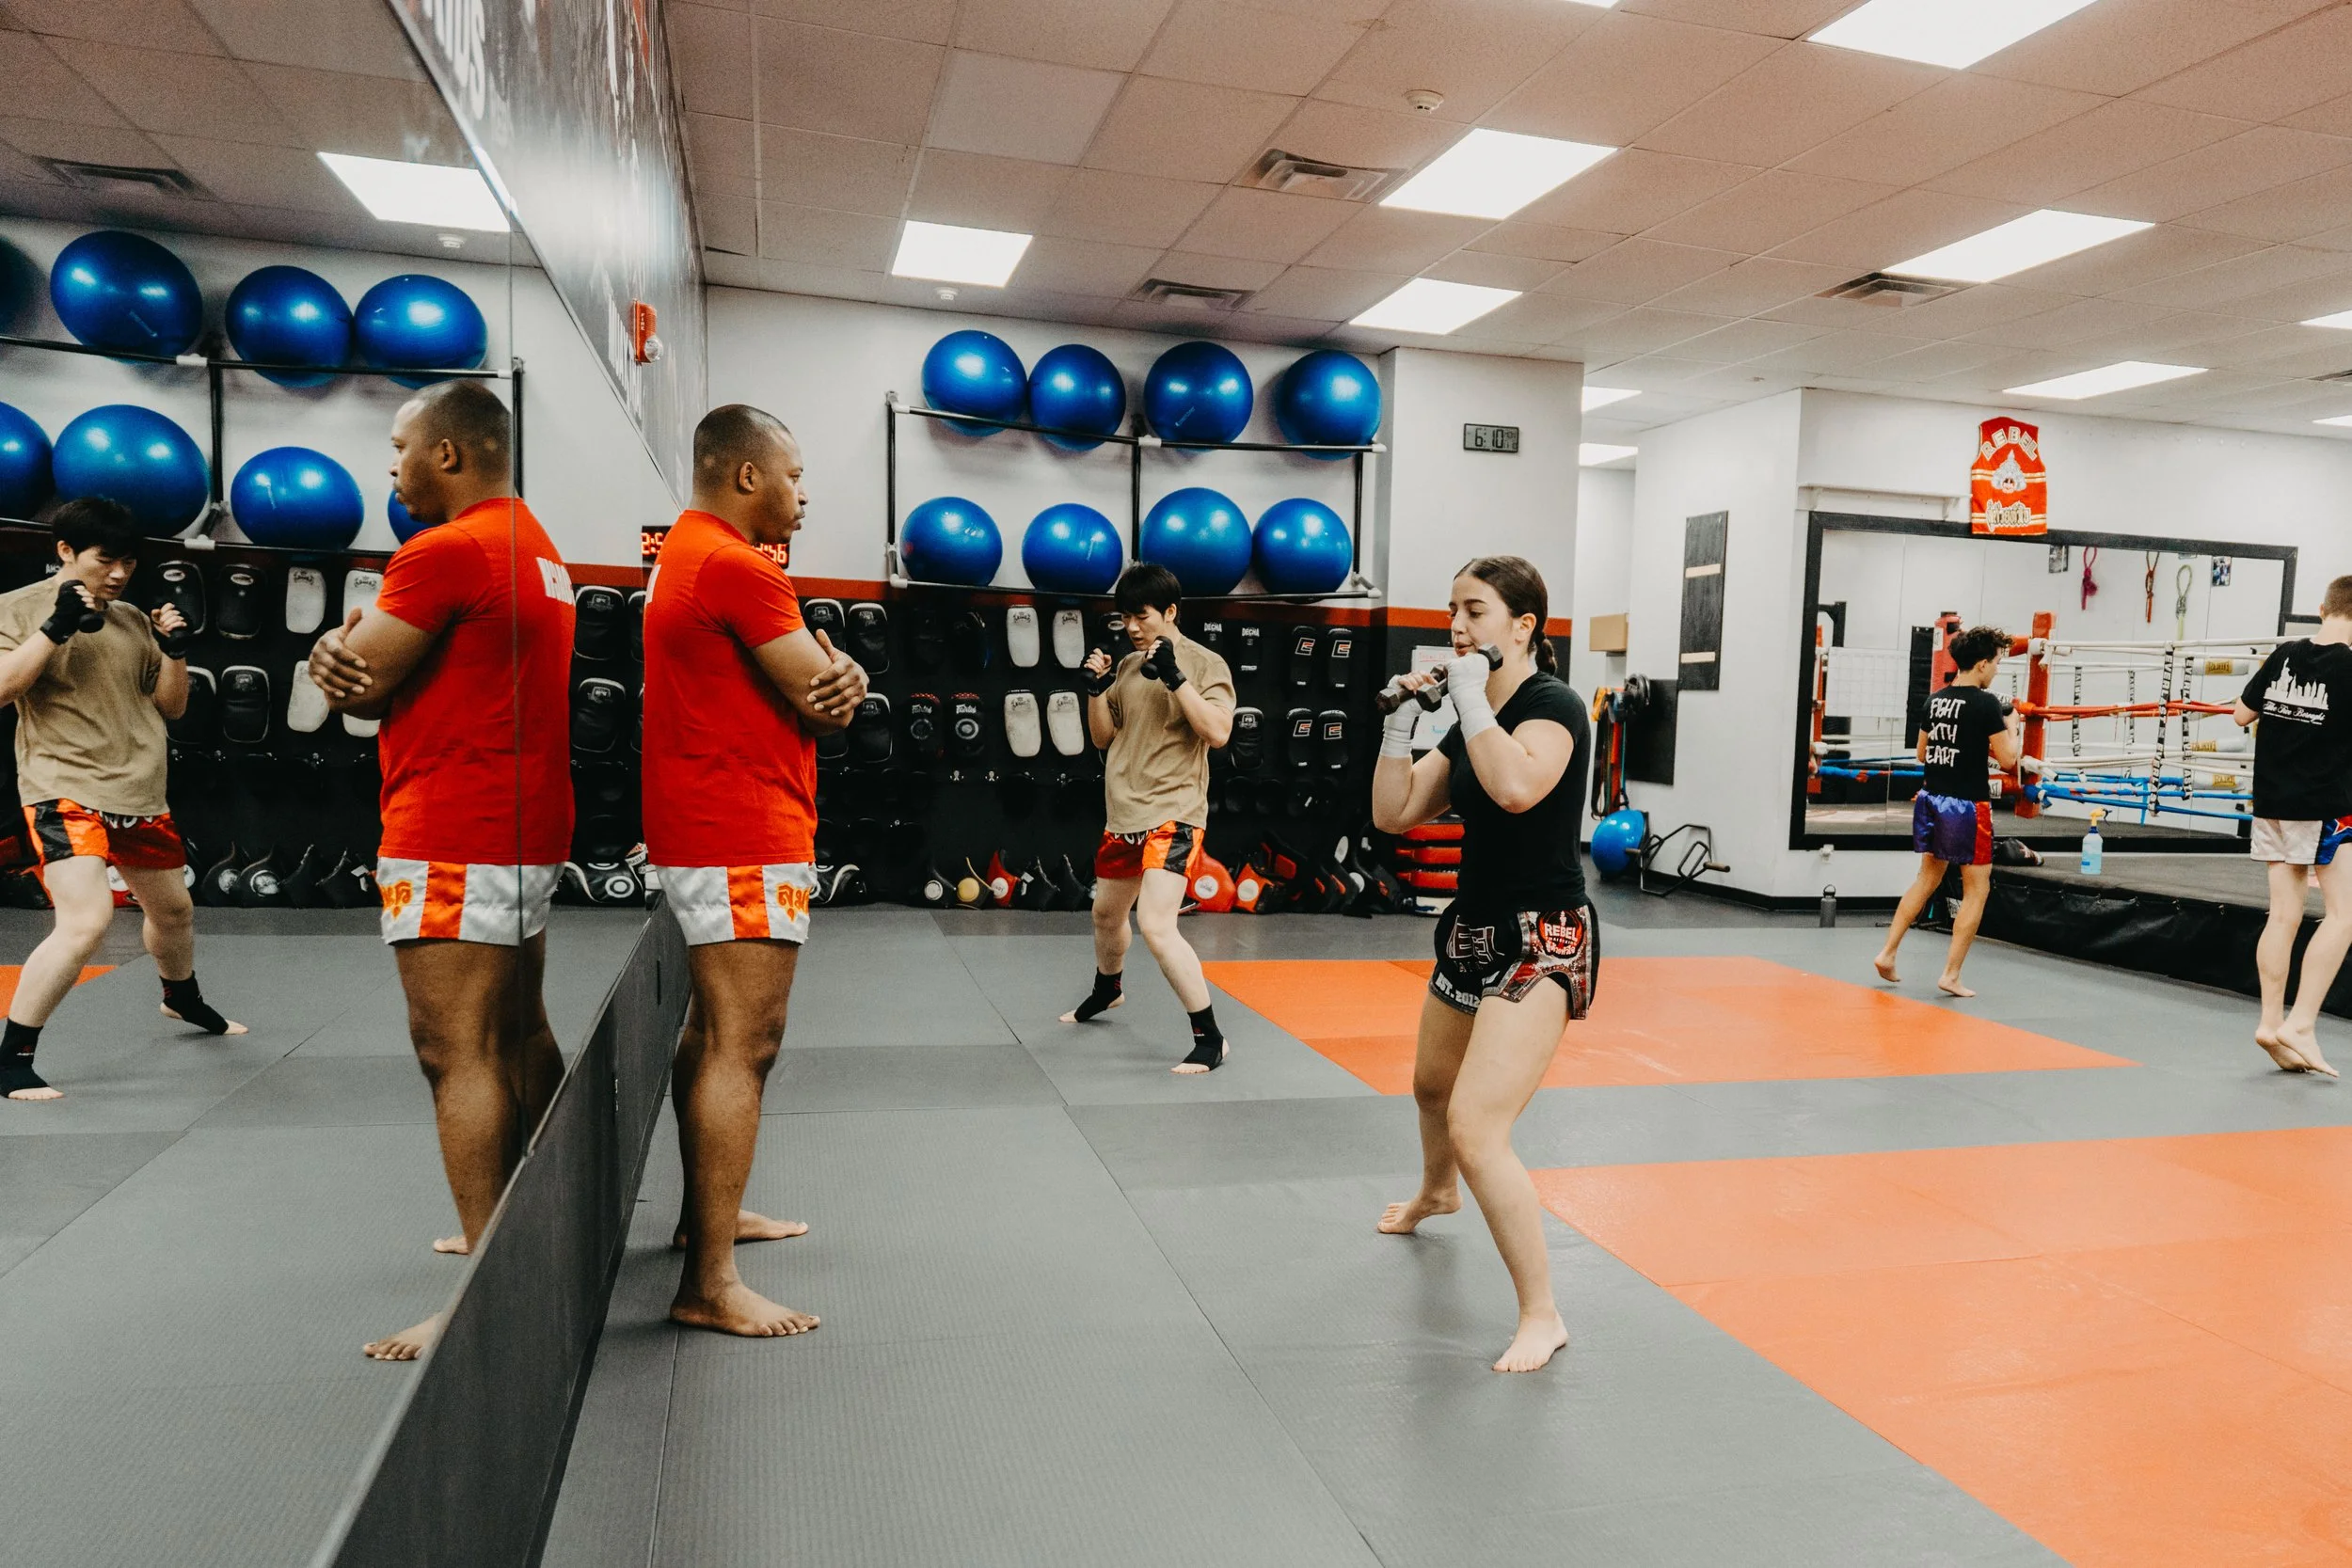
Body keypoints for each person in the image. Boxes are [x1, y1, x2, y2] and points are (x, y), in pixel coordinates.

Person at [305, 379, 575, 1361]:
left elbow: (357, 678)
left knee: (451, 1048)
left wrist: (330, 648)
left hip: (452, 825)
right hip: (519, 822)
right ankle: (556, 1219)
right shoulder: (532, 543)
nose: (391, 465)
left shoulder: (443, 551)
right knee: (518, 1029)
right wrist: (354, 666)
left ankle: (483, 1283)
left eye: (400, 445)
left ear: (450, 454)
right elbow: (379, 684)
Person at [644, 404, 866, 1338]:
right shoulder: (737, 566)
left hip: (709, 823)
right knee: (748, 1038)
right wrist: (839, 682)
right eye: (795, 473)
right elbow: (825, 703)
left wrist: (832, 674)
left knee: (711, 1029)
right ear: (746, 475)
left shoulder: (689, 555)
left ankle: (709, 1219)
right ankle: (710, 1281)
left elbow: (817, 682)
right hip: (742, 828)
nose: (803, 492)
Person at [1370, 555, 1588, 1374]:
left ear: (1524, 626)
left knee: (1477, 1124)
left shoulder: (1551, 707)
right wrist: (1401, 723)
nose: (1457, 627)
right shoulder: (1470, 717)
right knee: (1430, 1085)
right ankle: (1436, 1190)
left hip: (1543, 938)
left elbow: (1517, 789)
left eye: (1476, 611)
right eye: (1452, 612)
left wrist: (1464, 701)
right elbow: (1393, 813)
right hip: (1474, 928)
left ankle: (1543, 1313)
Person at [0, 498, 242, 1101]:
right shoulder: (17, 610)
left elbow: (171, 706)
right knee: (87, 920)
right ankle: (12, 1057)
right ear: (64, 552)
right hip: (63, 785)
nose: (117, 574)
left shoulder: (131, 618)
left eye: (128, 563)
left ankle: (180, 998)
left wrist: (177, 651)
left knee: (175, 912)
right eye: (105, 560)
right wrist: (53, 630)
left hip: (137, 788)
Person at [1060, 562, 1236, 1072]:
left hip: (1174, 812)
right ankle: (1108, 990)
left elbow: (1218, 732)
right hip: (1125, 811)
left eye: (1142, 616)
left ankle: (1210, 1036)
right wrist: (1093, 691)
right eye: (1125, 618)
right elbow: (1102, 737)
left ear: (1171, 612)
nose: (1132, 628)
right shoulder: (1129, 667)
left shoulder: (1206, 664)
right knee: (1106, 916)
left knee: (1156, 924)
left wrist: (1178, 679)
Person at [2233, 578, 2352, 1077]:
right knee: (2344, 915)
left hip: (2271, 803)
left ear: (2322, 608)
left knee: (2283, 914)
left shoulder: (2283, 654)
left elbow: (2241, 715)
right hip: (2321, 805)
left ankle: (2269, 1022)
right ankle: (2301, 1023)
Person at [1874, 626, 2023, 999]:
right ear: (1984, 663)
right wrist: (2013, 727)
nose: (1997, 672)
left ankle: (1887, 953)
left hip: (1931, 799)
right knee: (1977, 889)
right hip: (1967, 807)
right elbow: (2008, 759)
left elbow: (1921, 754)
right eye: (1997, 664)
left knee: (1927, 878)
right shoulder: (1986, 703)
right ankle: (1951, 975)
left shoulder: (1935, 700)